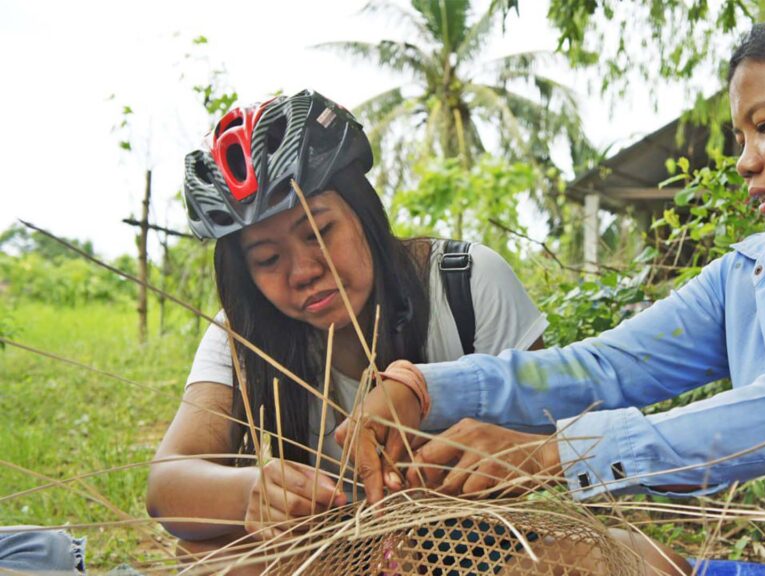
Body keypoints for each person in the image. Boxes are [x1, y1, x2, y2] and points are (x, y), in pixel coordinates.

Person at [339, 1, 765, 575]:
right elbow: (604, 367)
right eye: (739, 136)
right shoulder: (752, 276)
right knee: (560, 560)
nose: (745, 162)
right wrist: (422, 389)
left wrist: (556, 453)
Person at [145, 90, 548, 554]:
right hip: (333, 555)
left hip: (481, 551)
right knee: (208, 554)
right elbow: (168, 483)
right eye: (268, 258)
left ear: (364, 212)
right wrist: (251, 491)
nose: (304, 272)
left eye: (319, 231)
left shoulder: (467, 284)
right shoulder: (242, 336)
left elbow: (548, 434)